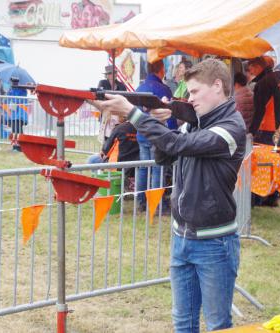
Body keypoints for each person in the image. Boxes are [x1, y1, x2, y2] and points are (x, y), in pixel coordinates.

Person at [94, 58, 246, 332]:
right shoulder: (196, 123)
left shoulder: (231, 128)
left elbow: (176, 144)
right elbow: (165, 155)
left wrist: (134, 114)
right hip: (182, 236)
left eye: (195, 92)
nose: (190, 98)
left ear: (217, 86)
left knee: (218, 325)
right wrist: (158, 122)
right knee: (183, 322)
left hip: (214, 241)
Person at [135, 60, 175, 211]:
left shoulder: (139, 87)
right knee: (158, 168)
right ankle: (157, 204)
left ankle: (141, 202)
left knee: (144, 168)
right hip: (158, 135)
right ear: (161, 70)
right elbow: (169, 114)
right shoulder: (164, 89)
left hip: (142, 133)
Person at [247, 56, 280, 145]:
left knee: (263, 157)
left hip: (267, 129)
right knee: (275, 154)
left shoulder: (263, 83)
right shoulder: (279, 76)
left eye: (252, 70)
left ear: (258, 67)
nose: (251, 73)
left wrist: (252, 131)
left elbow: (259, 110)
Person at [96, 65, 127, 143]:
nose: (112, 75)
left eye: (113, 73)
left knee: (117, 134)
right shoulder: (102, 83)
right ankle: (105, 151)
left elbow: (125, 97)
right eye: (109, 73)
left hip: (118, 112)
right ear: (106, 75)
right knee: (106, 135)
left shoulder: (121, 85)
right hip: (107, 112)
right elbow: (99, 96)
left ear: (116, 74)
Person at [5, 77, 29, 152]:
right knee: (14, 129)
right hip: (14, 114)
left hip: (20, 114)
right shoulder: (11, 89)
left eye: (16, 81)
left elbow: (19, 99)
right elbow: (8, 99)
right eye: (13, 81)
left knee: (18, 130)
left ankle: (20, 146)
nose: (14, 83)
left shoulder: (22, 89)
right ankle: (16, 145)